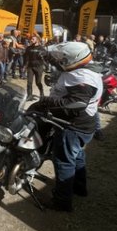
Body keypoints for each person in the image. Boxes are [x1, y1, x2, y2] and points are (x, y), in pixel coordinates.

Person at [30, 42, 103, 212]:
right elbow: (64, 66)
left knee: (63, 160)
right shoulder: (82, 68)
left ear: (74, 58)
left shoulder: (83, 78)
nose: (61, 60)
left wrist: (46, 102)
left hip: (73, 126)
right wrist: (48, 56)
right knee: (77, 155)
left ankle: (62, 202)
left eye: (64, 58)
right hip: (85, 125)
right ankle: (79, 188)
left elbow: (76, 103)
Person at [25, 34, 47, 101]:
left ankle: (41, 93)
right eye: (31, 39)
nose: (31, 40)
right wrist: (24, 66)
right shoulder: (28, 48)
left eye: (33, 39)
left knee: (38, 82)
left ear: (37, 40)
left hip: (39, 67)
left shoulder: (42, 48)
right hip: (30, 67)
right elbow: (26, 57)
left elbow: (46, 57)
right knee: (29, 82)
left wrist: (43, 57)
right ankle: (29, 95)